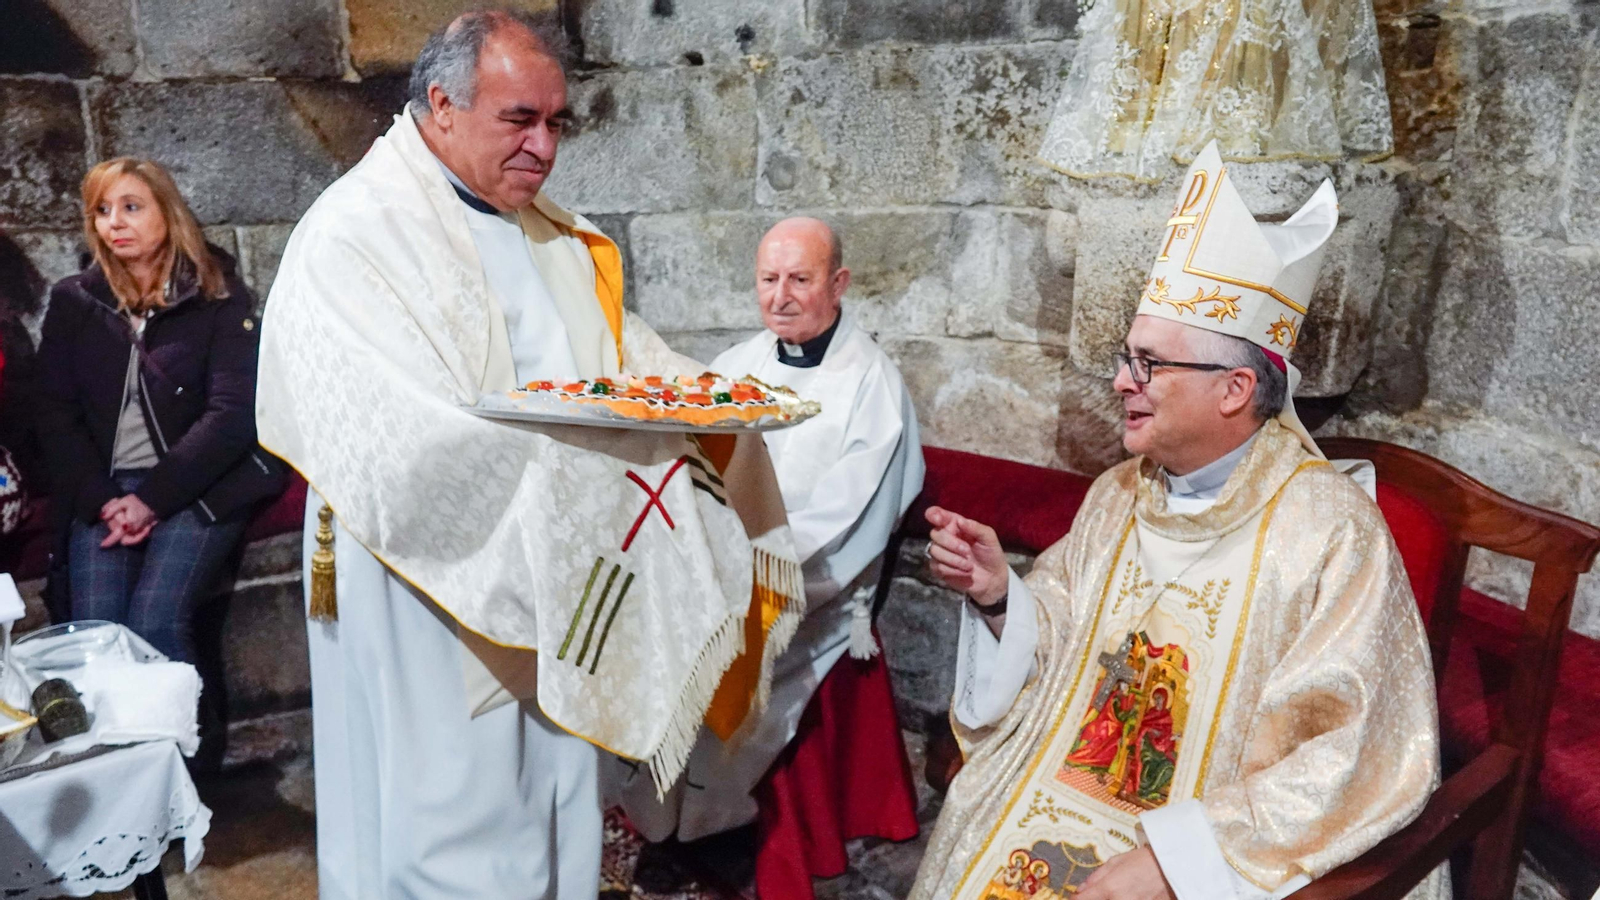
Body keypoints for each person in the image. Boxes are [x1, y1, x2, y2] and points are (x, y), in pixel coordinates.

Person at [254, 10, 803, 899]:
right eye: (520, 121)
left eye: (557, 123)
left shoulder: (548, 230)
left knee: (557, 793)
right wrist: (583, 490)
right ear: (441, 104)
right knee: (457, 816)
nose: (544, 147)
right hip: (431, 577)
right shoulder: (355, 236)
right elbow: (395, 440)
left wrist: (718, 400)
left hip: (563, 559)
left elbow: (623, 360)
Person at [909, 141, 1445, 900]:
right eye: (1129, 358)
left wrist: (1176, 860)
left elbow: (1362, 752)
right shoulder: (1121, 493)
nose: (1122, 381)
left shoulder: (1331, 532)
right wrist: (1002, 595)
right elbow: (1062, 636)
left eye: (1149, 363)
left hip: (1207, 853)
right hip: (1065, 791)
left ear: (1232, 391)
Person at [609, 217, 924, 840]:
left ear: (839, 284)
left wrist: (744, 573)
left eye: (800, 279)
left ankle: (709, 821)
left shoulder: (872, 385)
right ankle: (652, 811)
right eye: (769, 279)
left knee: (718, 646)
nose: (781, 296)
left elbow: (848, 521)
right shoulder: (736, 364)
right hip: (724, 564)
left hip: (811, 585)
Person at [34, 157, 280, 665]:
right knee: (98, 635)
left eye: (131, 207)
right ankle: (124, 747)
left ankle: (184, 745)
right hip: (105, 489)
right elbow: (54, 414)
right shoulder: (76, 301)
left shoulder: (217, 295)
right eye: (102, 210)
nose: (114, 223)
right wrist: (105, 502)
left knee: (155, 624)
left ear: (167, 213)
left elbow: (231, 414)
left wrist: (151, 499)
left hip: (199, 485)